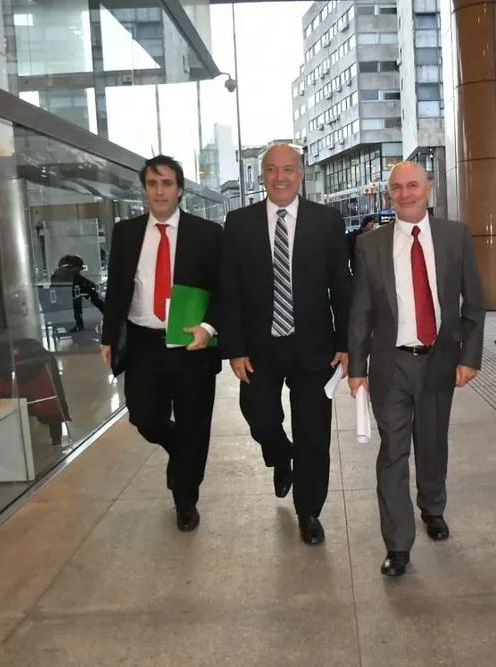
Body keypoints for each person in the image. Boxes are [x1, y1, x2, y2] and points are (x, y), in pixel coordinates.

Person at [347, 161, 485, 576]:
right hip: (391, 363)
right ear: (388, 195)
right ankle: (398, 544)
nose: (405, 194)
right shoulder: (370, 245)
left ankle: (433, 506)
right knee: (393, 453)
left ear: (429, 189)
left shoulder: (455, 236)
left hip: (440, 360)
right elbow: (361, 310)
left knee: (433, 443)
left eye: (412, 185)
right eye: (396, 188)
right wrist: (356, 366)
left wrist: (469, 356)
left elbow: (473, 303)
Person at [218, 143, 352, 545]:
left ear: (301, 174)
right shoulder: (238, 222)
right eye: (272, 170)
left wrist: (346, 342)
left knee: (314, 434)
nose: (280, 177)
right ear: (262, 176)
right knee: (259, 417)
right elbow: (230, 289)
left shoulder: (326, 221)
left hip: (315, 348)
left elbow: (341, 287)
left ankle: (309, 511)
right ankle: (280, 455)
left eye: (288, 169)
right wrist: (235, 348)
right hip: (260, 348)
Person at [100, 155, 223, 532]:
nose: (159, 191)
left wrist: (209, 326)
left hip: (192, 344)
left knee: (194, 424)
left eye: (167, 183)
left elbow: (225, 288)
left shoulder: (207, 234)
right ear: (145, 189)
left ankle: (185, 500)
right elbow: (117, 287)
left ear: (180, 189)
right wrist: (108, 337)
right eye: (152, 183)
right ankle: (178, 448)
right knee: (144, 416)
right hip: (143, 343)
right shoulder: (126, 232)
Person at [49, 254, 104, 332]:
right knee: (93, 297)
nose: (79, 271)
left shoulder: (59, 273)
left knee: (91, 297)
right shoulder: (68, 273)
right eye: (79, 268)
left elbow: (82, 281)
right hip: (67, 307)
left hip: (62, 305)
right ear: (74, 267)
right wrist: (93, 287)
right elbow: (81, 282)